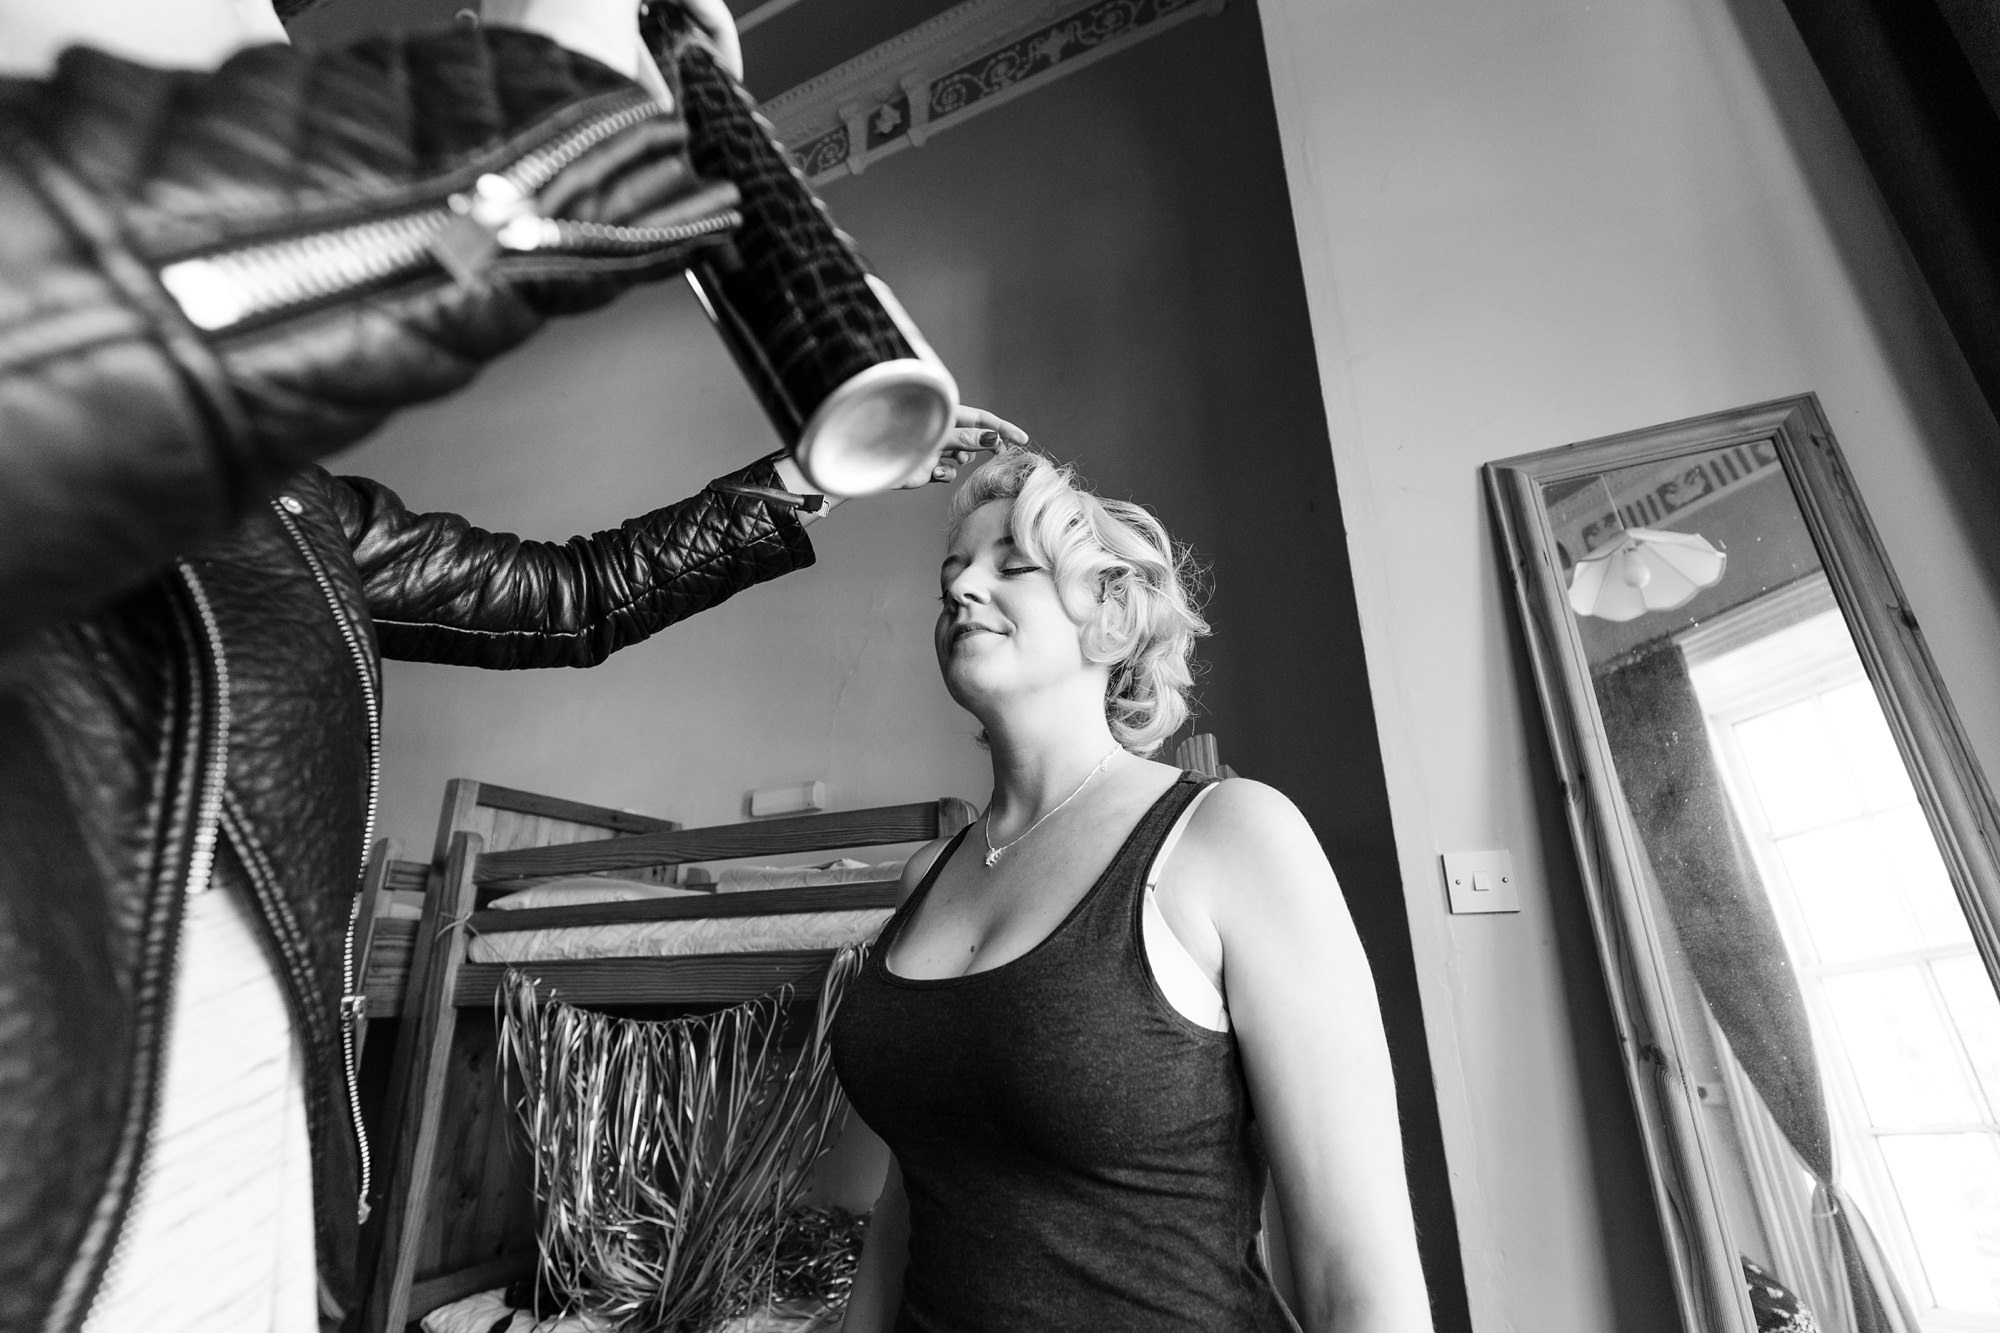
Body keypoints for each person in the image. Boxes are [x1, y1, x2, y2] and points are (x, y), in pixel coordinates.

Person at [0, 1, 1027, 1329]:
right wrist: (567, 77)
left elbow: (568, 596)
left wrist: (791, 486)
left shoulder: (302, 519)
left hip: (257, 1174)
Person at [828, 447, 1435, 1332]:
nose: (961, 591)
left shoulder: (1232, 835)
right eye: (949, 577)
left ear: (1109, 614)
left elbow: (1358, 1275)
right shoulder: (928, 876)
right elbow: (910, 1198)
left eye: (1012, 566)